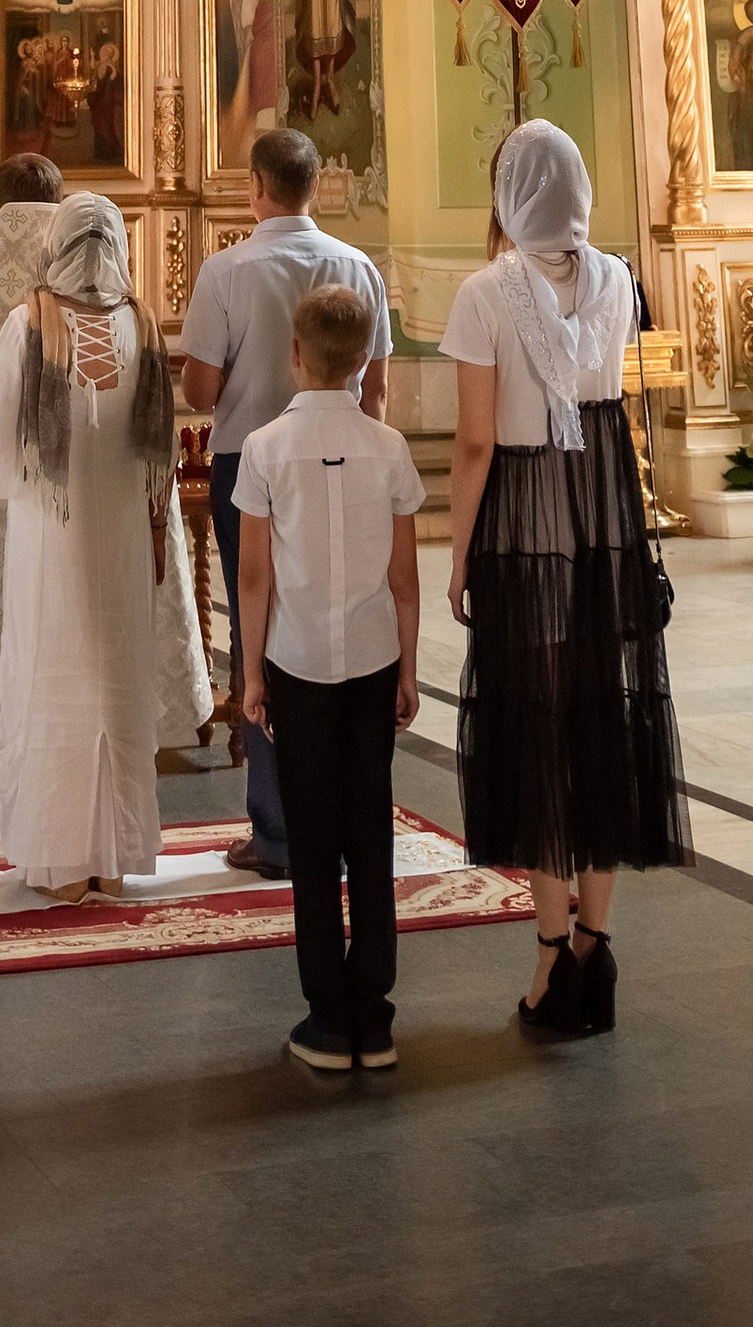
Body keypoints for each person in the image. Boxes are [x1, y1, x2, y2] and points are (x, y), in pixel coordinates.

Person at [0, 152, 219, 836]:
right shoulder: (132, 313)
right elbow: (154, 442)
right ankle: (108, 822)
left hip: (34, 521)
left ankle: (45, 815)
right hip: (114, 520)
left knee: (39, 654)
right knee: (102, 653)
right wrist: (153, 531)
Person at [444, 121, 687, 1037]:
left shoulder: (486, 292)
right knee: (602, 719)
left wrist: (462, 549)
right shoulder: (620, 276)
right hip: (604, 513)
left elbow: (474, 442)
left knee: (539, 732)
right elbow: (606, 395)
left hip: (526, 517)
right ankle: (597, 942)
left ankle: (549, 961)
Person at [0, 194, 206, 902]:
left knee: (54, 674)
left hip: (52, 536)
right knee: (113, 679)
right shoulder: (144, 325)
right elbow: (158, 449)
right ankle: (113, 855)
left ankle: (62, 860)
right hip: (123, 537)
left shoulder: (28, 322)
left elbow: (1, 448)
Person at [179, 126, 389, 881]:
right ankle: (338, 814)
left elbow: (198, 392)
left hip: (251, 470)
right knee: (341, 624)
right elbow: (376, 391)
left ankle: (274, 826)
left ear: (256, 186)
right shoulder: (359, 265)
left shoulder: (227, 270)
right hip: (347, 460)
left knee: (261, 631)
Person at [235, 283, 425, 1074]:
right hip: (376, 657)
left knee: (313, 841)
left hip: (298, 660)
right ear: (365, 357)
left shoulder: (266, 447)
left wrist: (250, 676)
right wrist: (410, 668)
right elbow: (406, 577)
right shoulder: (390, 446)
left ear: (295, 354)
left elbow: (253, 576)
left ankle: (325, 1018)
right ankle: (373, 1017)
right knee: (370, 831)